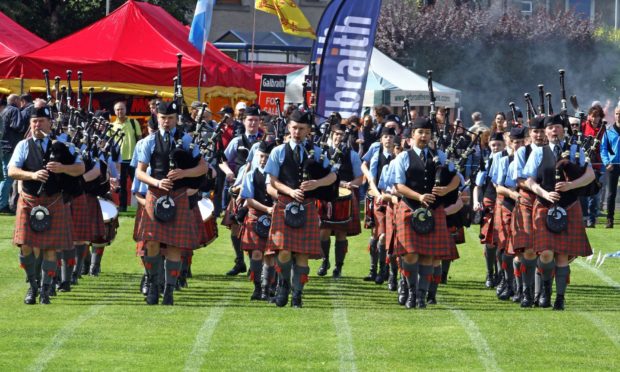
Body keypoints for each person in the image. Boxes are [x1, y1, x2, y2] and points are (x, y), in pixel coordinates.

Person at [8, 107, 85, 304]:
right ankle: (32, 287)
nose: (37, 125)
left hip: (54, 201)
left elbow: (80, 168)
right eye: (34, 121)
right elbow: (12, 170)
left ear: (50, 123)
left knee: (51, 248)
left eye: (41, 121)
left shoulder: (63, 145)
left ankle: (45, 289)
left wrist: (63, 168)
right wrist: (32, 175)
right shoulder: (23, 145)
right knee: (25, 246)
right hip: (29, 200)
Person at [135, 101, 207, 305]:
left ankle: (169, 291)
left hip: (178, 195)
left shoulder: (185, 140)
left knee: (175, 245)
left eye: (171, 118)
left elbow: (203, 168)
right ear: (158, 118)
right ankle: (152, 285)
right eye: (163, 118)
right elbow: (140, 172)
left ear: (177, 119)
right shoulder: (149, 141)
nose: (166, 122)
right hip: (156, 193)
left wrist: (184, 173)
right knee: (151, 242)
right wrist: (157, 181)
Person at [264, 109, 336, 308]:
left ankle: (297, 295)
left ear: (308, 131)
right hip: (285, 204)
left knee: (303, 254)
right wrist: (290, 191)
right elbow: (273, 180)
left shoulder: (317, 151)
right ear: (289, 128)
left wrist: (317, 183)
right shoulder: (278, 151)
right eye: (294, 128)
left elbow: (333, 176)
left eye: (301, 129)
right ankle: (283, 287)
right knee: (284, 252)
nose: (297, 132)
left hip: (307, 207)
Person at [522, 114, 594, 310]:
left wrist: (571, 185)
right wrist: (545, 193)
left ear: (564, 130)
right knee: (545, 254)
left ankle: (560, 299)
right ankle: (545, 290)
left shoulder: (576, 150)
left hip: (569, 206)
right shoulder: (539, 152)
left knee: (562, 256)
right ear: (545, 131)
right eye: (551, 127)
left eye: (558, 127)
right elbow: (528, 180)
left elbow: (590, 175)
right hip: (545, 206)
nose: (554, 130)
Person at [393, 117, 460, 309]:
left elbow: (456, 178)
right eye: (420, 132)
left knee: (428, 256)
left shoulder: (439, 155)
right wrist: (419, 196)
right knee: (410, 254)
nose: (424, 136)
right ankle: (411, 292)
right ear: (412, 135)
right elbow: (398, 185)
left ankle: (421, 297)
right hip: (410, 209)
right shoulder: (403, 157)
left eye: (427, 133)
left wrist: (447, 190)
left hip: (434, 211)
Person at [220, 106, 263, 276]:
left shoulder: (266, 141)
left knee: (257, 227)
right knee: (235, 228)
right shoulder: (237, 141)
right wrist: (228, 172)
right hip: (238, 190)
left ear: (260, 122)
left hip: (260, 191)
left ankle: (255, 263)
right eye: (250, 120)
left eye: (256, 120)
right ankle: (239, 261)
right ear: (244, 121)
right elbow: (222, 159)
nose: (253, 123)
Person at [317, 123, 363, 278]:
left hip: (345, 198)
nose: (338, 137)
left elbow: (360, 178)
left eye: (341, 135)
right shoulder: (322, 152)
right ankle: (324, 261)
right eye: (336, 134)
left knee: (341, 233)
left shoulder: (352, 155)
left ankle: (338, 266)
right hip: (325, 196)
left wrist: (351, 184)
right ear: (331, 135)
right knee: (323, 232)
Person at [513, 117, 546, 307]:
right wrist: (539, 190)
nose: (539, 135)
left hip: (546, 202)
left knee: (544, 249)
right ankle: (526, 292)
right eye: (535, 131)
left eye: (542, 131)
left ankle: (540, 293)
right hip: (527, 200)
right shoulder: (522, 152)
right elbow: (519, 180)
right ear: (530, 134)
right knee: (529, 250)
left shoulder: (551, 151)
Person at [239, 141, 277, 300]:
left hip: (274, 219)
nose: (263, 160)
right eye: (261, 156)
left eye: (267, 157)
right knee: (255, 253)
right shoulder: (250, 175)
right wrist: (267, 209)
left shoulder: (276, 176)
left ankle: (266, 289)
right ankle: (256, 288)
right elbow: (248, 200)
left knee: (269, 255)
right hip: (255, 216)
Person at [361, 126, 396, 284]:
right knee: (378, 235)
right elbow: (368, 172)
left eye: (391, 137)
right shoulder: (376, 153)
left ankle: (385, 270)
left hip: (393, 199)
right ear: (381, 139)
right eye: (385, 137)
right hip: (378, 198)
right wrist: (377, 193)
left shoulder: (399, 155)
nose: (388, 139)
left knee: (386, 236)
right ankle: (376, 269)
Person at [473, 132, 506, 288]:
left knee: (502, 241)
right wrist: (476, 202)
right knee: (489, 241)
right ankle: (489, 273)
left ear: (504, 145)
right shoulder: (485, 163)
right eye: (493, 145)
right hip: (488, 201)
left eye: (499, 144)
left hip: (504, 202)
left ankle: (501, 274)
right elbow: (477, 187)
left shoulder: (507, 161)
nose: (496, 147)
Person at [110, 101, 142, 212]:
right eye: (117, 109)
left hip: (134, 160)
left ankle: (142, 206)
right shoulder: (112, 126)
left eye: (121, 109)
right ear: (115, 111)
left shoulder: (134, 122)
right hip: (120, 161)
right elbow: (109, 144)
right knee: (122, 185)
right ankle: (122, 207)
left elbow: (140, 139)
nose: (120, 111)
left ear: (126, 109)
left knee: (137, 184)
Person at [580, 105, 605, 228]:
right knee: (583, 194)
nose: (595, 119)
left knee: (594, 195)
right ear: (589, 116)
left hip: (597, 165)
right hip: (584, 163)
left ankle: (592, 220)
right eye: (593, 116)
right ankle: (584, 218)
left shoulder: (603, 129)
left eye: (598, 116)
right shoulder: (583, 125)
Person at [0, 94, 26, 213]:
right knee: (8, 177)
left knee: (4, 176)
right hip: (11, 146)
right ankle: (2, 205)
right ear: (16, 100)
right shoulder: (15, 110)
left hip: (3, 146)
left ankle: (2, 203)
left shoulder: (3, 111)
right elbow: (17, 126)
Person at [601, 106, 620, 228]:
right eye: (618, 113)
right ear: (614, 115)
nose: (619, 115)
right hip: (612, 166)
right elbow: (603, 149)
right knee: (611, 194)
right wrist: (607, 162)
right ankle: (610, 219)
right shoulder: (608, 131)